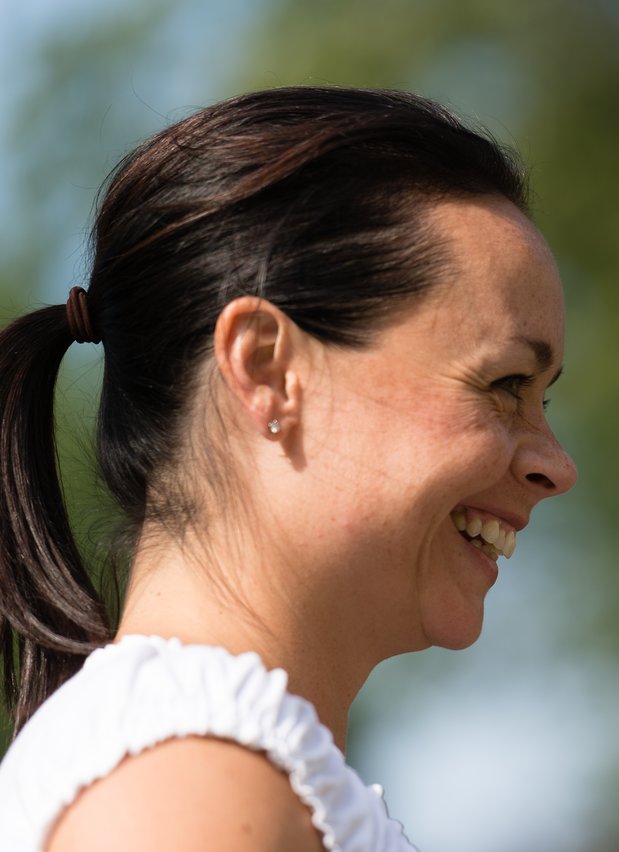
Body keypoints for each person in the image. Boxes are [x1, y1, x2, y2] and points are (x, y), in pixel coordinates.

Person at [0, 86, 578, 851]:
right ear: (267, 368)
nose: (556, 465)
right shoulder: (186, 791)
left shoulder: (210, 774)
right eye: (505, 385)